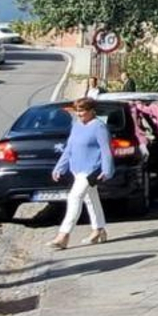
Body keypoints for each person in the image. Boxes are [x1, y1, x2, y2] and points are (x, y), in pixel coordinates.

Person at [50, 97, 113, 249]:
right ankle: (99, 230)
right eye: (77, 111)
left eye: (83, 110)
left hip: (91, 169)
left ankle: (63, 235)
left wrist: (107, 170)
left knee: (74, 197)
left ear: (92, 111)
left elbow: (106, 150)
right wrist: (59, 167)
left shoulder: (99, 127)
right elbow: (69, 148)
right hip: (76, 169)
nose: (79, 114)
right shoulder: (76, 125)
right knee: (91, 199)